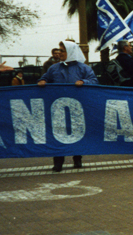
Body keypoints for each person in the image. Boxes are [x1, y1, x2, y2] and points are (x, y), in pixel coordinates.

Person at [38, 41, 98, 172]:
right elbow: (45, 78)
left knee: (77, 133)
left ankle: (77, 158)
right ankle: (58, 162)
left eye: (62, 50)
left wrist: (84, 81)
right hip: (58, 108)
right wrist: (42, 81)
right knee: (58, 133)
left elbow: (94, 80)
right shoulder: (53, 68)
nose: (59, 53)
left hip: (78, 107)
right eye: (59, 50)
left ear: (70, 52)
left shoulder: (83, 68)